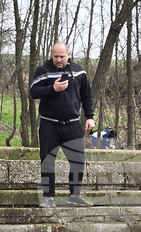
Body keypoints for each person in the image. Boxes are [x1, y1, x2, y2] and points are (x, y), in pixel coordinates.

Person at [30, 42, 96, 208]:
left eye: (61, 56)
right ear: (51, 55)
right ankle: (48, 197)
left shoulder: (79, 71)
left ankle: (75, 195)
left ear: (68, 54)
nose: (58, 60)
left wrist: (89, 116)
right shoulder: (43, 71)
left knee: (78, 160)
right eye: (55, 56)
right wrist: (52, 88)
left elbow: (86, 95)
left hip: (72, 124)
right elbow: (33, 92)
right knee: (47, 160)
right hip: (49, 124)